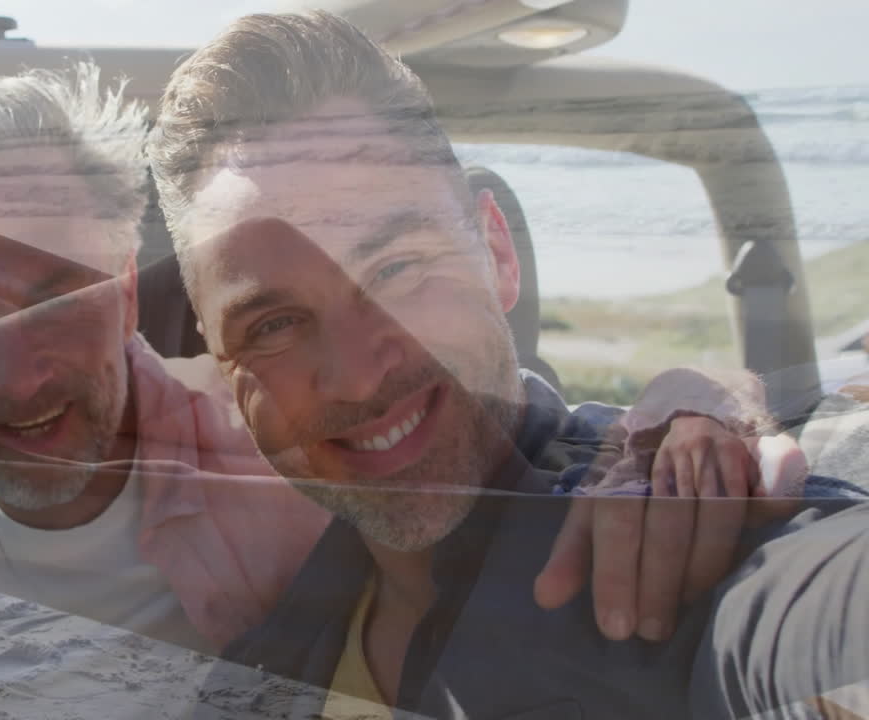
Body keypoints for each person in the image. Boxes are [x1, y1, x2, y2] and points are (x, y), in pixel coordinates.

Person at [0, 62, 799, 719]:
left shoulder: (273, 441)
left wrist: (696, 402)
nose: (16, 373)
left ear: (123, 284)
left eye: (56, 300)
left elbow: (499, 432)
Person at [146, 11, 868, 718]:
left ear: (496, 252)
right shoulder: (262, 667)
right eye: (274, 324)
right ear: (223, 362)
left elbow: (812, 610)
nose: (359, 376)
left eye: (396, 268)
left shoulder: (668, 532)